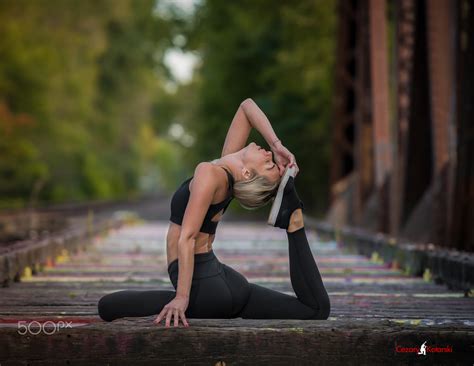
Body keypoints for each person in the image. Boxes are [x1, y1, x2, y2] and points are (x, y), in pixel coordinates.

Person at [97, 98, 330, 326]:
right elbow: (246, 107)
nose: (269, 155)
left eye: (268, 164)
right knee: (315, 310)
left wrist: (181, 298)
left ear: (248, 174)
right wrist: (277, 145)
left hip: (206, 289)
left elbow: (186, 238)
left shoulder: (210, 173)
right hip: (228, 285)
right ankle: (293, 218)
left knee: (107, 306)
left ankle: (291, 214)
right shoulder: (226, 176)